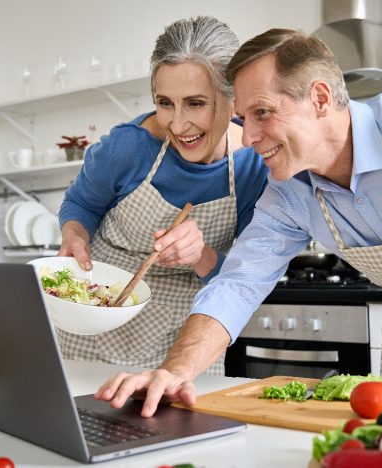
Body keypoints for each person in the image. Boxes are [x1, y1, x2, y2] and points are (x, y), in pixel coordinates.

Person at [95, 28, 382, 417]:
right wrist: (173, 373)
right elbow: (237, 284)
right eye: (243, 119)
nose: (248, 138)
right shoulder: (288, 193)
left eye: (262, 113)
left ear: (321, 98)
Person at [57, 16, 268, 375]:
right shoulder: (128, 146)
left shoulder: (253, 167)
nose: (178, 123)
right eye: (165, 102)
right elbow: (81, 204)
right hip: (96, 329)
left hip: (185, 340)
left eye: (196, 103)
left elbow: (243, 281)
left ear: (235, 99)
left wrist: (199, 256)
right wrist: (74, 236)